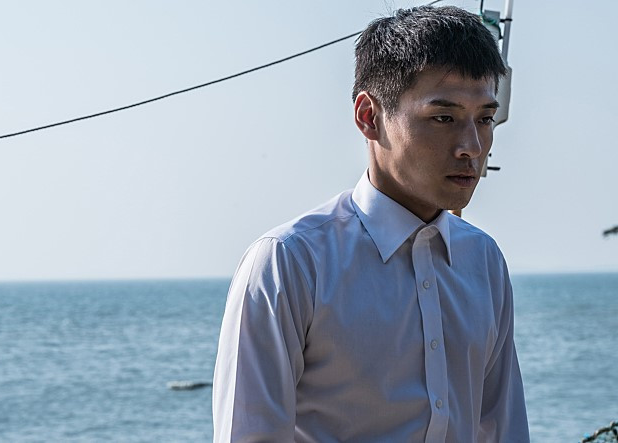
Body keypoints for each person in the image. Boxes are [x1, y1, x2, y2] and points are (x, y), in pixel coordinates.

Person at [213, 5, 529, 442]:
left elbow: (503, 429)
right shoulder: (290, 263)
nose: (472, 147)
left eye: (485, 118)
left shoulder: (484, 260)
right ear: (369, 116)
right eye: (444, 118)